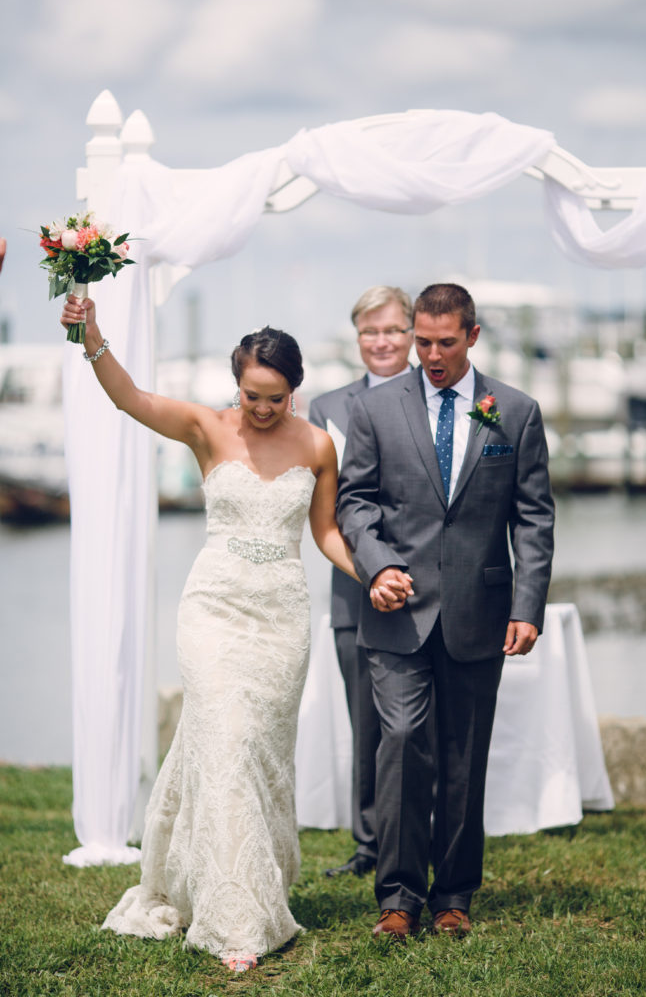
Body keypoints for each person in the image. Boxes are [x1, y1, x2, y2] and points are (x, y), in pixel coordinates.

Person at [59, 293, 406, 972]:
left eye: (276, 398)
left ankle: (249, 881)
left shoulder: (316, 444)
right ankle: (236, 920)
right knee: (224, 738)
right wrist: (91, 333)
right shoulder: (205, 428)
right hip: (213, 608)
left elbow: (327, 532)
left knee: (258, 752)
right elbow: (128, 397)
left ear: (294, 391)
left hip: (279, 616)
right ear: (237, 384)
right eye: (253, 394)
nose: (263, 409)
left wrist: (370, 574)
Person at [336, 282, 554, 941]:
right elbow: (356, 502)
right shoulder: (376, 410)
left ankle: (453, 896)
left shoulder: (511, 412)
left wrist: (528, 603)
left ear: (472, 337)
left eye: (443, 342)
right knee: (401, 742)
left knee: (464, 754)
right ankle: (397, 900)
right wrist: (380, 565)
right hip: (396, 616)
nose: (429, 354)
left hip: (478, 614)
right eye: (421, 341)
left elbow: (534, 516)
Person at [308, 285, 414, 878]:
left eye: (393, 330)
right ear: (357, 339)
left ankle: (422, 838)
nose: (381, 342)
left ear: (411, 335)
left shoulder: (436, 398)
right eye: (370, 331)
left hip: (427, 583)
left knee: (419, 725)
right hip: (353, 590)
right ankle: (370, 844)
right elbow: (328, 509)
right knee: (366, 721)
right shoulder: (327, 407)